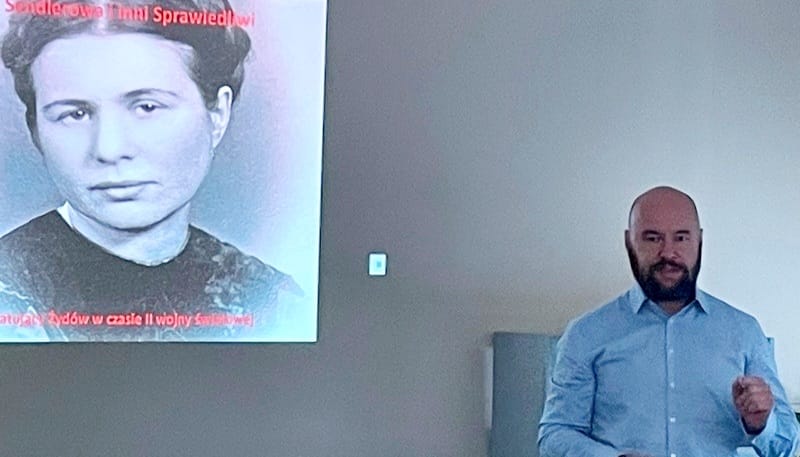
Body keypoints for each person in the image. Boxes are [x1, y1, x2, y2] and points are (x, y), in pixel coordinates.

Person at [0, 0, 303, 342]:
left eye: (146, 107)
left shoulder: (272, 301)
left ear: (218, 114)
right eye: (75, 114)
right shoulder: (9, 291)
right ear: (36, 130)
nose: (109, 149)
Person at [538, 186, 799, 457]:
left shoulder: (744, 332)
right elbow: (555, 435)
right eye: (653, 238)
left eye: (681, 238)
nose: (668, 253)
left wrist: (760, 424)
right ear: (629, 242)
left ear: (699, 241)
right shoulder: (586, 334)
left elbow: (787, 447)